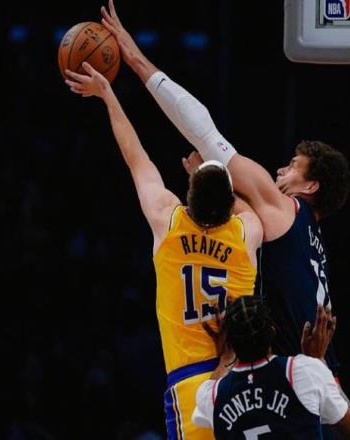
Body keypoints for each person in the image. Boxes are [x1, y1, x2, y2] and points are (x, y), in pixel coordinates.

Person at [99, 0, 350, 372]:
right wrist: (208, 180)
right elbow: (240, 209)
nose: (280, 169)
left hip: (296, 382)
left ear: (311, 186)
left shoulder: (285, 209)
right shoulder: (309, 240)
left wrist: (135, 59)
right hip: (323, 381)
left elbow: (204, 133)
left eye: (293, 167)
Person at [64, 62, 263, 440]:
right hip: (245, 382)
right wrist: (208, 179)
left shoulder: (167, 221)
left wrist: (108, 95)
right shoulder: (245, 233)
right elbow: (248, 208)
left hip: (192, 384)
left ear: (189, 193)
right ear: (228, 203)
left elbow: (136, 157)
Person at [192, 296, 350, 439]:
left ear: (230, 342)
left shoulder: (212, 395)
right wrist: (319, 360)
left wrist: (225, 359)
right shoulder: (303, 372)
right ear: (272, 331)